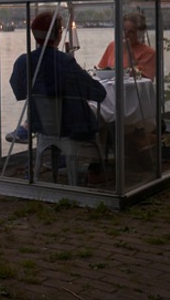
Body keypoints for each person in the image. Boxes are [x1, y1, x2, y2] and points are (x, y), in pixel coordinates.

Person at [10, 12, 107, 180]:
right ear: (58, 34)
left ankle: (60, 160)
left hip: (40, 125)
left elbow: (19, 93)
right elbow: (98, 93)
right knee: (106, 118)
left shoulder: (23, 62)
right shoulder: (65, 62)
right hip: (71, 126)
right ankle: (98, 169)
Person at [95, 11, 157, 79]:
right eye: (124, 30)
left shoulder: (149, 53)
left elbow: (145, 78)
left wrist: (129, 51)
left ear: (139, 34)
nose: (125, 34)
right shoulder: (113, 45)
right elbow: (101, 70)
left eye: (131, 32)